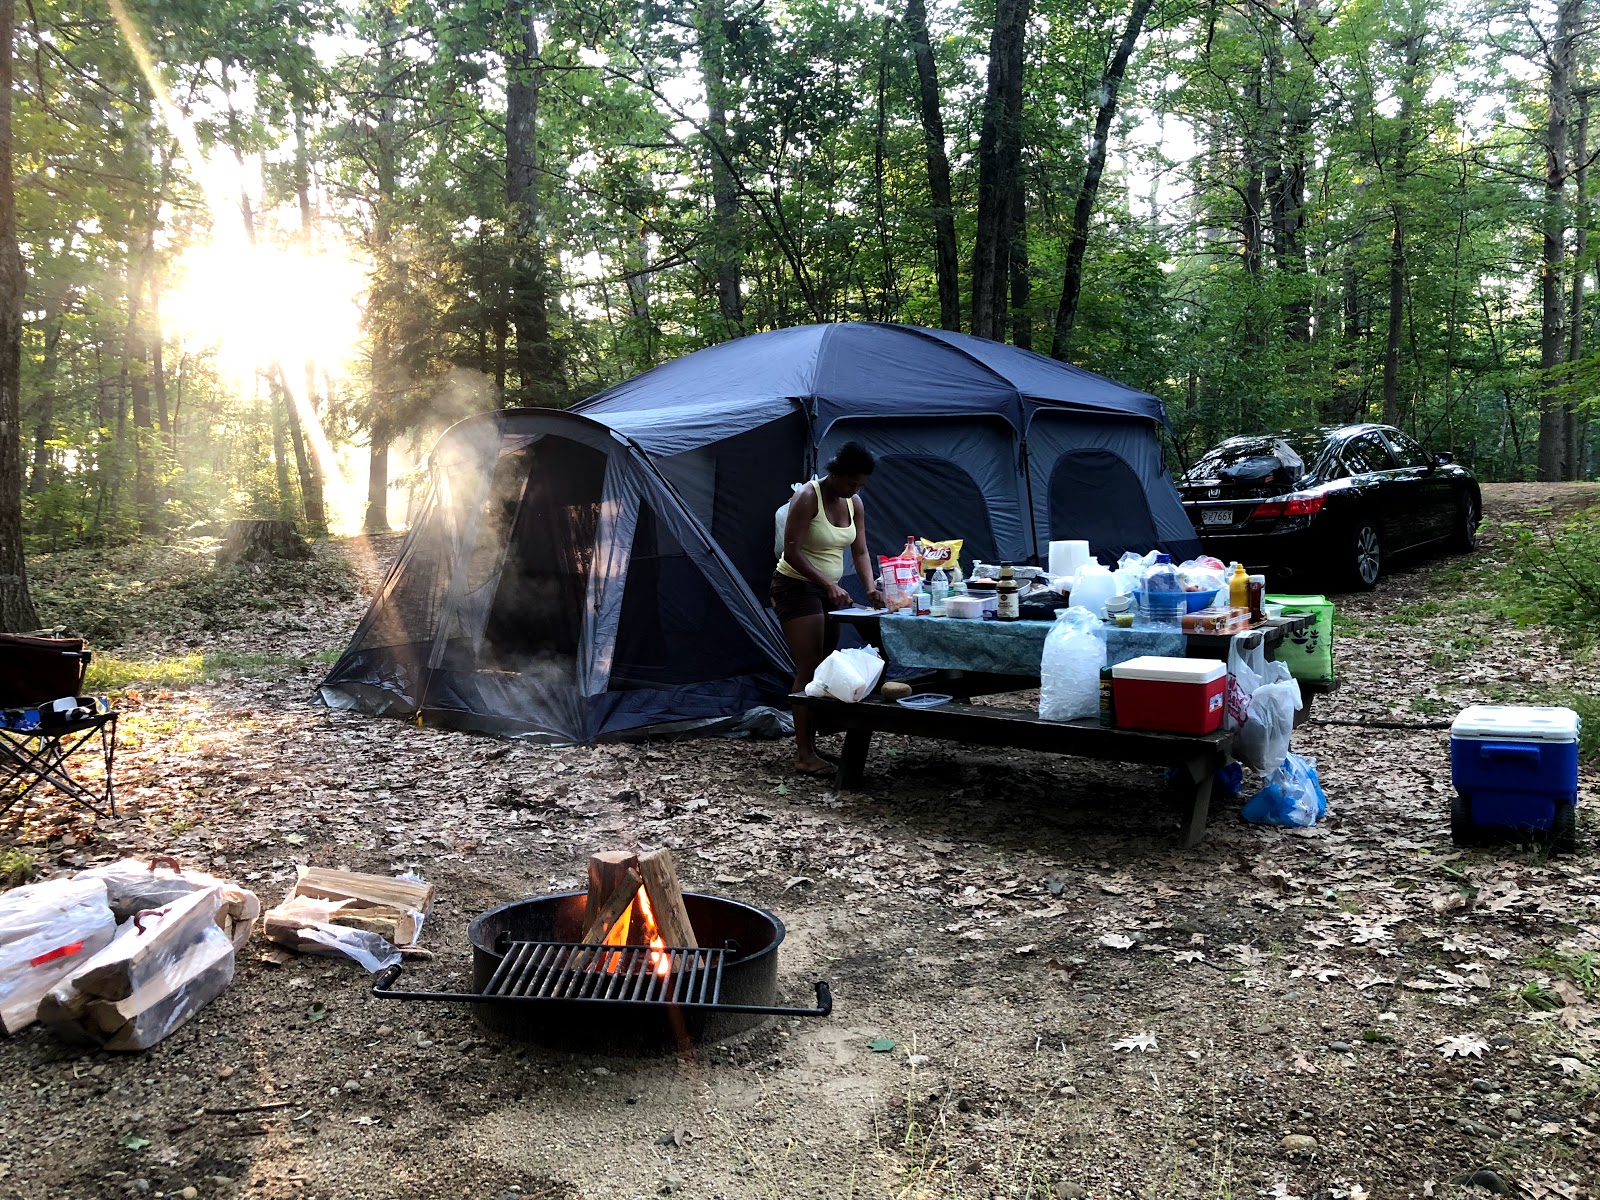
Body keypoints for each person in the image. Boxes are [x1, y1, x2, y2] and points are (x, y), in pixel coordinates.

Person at [770, 442, 883, 776]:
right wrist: (828, 584)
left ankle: (814, 746)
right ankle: (803, 754)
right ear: (836, 473)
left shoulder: (854, 502)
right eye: (851, 483)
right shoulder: (808, 497)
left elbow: (860, 551)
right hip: (795, 587)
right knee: (807, 667)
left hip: (827, 590)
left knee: (824, 668)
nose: (854, 489)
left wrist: (871, 588)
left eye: (860, 485)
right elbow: (791, 551)